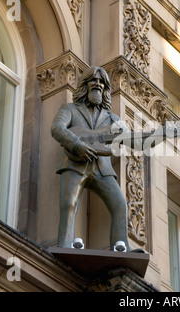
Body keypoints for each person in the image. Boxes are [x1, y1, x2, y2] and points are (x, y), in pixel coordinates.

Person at [51, 66, 132, 251]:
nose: (98, 84)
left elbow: (131, 139)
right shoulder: (70, 109)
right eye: (94, 80)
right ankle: (65, 244)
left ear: (105, 89)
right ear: (85, 85)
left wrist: (160, 136)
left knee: (120, 205)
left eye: (102, 82)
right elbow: (57, 128)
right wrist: (77, 145)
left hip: (102, 167)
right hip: (74, 163)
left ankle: (121, 247)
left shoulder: (113, 118)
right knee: (68, 204)